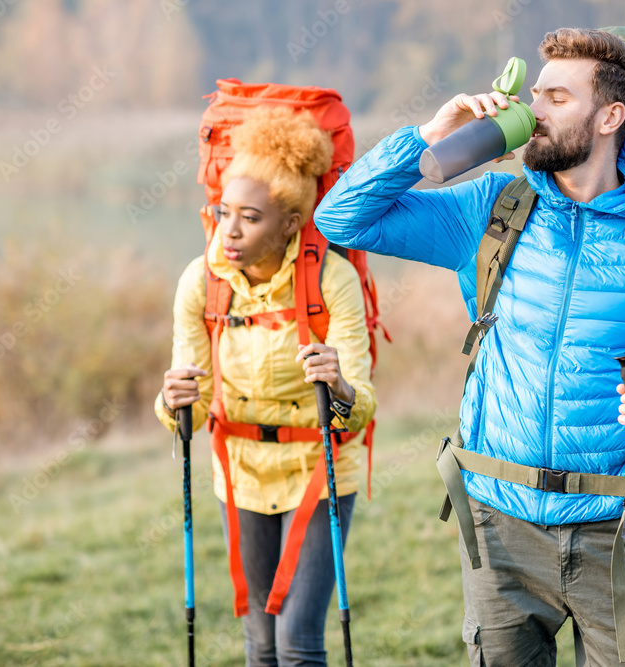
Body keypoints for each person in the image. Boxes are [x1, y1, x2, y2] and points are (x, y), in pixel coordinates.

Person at [314, 28, 625, 666]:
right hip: (497, 520)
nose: (533, 109)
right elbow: (341, 218)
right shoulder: (493, 208)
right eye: (534, 93)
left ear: (610, 117)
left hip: (622, 526)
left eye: (557, 97)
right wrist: (428, 137)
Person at [154, 106, 376, 667]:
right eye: (223, 212)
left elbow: (361, 404)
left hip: (320, 475)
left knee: (296, 645)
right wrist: (172, 400)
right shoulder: (200, 284)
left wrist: (339, 385)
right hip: (242, 474)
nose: (229, 230)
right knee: (260, 645)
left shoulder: (332, 280)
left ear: (289, 223)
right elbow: (195, 401)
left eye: (249, 218)